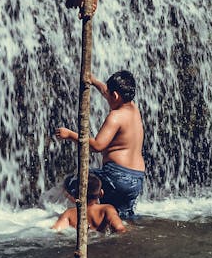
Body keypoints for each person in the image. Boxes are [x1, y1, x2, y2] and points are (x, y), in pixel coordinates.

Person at [55, 70, 146, 219]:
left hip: (116, 176)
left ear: (115, 96)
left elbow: (97, 146)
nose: (106, 96)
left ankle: (89, 216)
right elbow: (106, 91)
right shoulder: (134, 109)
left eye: (109, 95)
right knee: (121, 217)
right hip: (136, 178)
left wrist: (70, 135)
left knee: (73, 182)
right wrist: (94, 81)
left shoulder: (115, 117)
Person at [52, 173, 127, 233]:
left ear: (76, 195)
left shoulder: (69, 213)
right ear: (101, 193)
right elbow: (120, 228)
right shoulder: (107, 209)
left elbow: (54, 231)